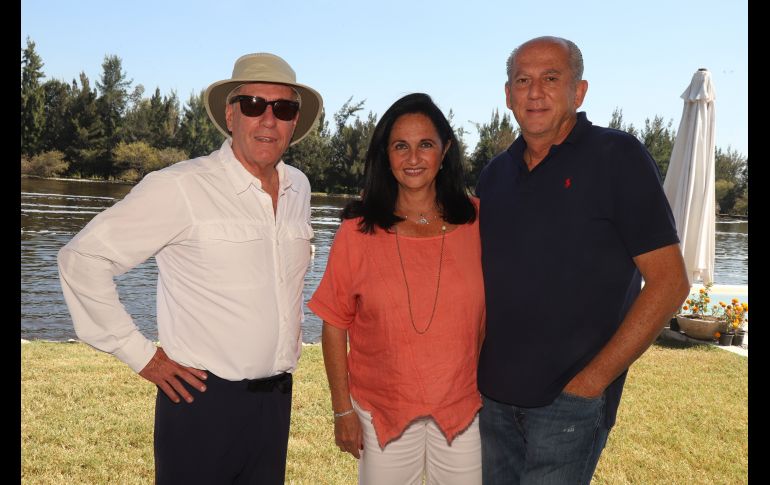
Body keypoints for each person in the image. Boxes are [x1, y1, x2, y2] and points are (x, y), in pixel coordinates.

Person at [57, 53, 323, 484]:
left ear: (295, 123)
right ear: (230, 114)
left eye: (284, 108)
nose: (269, 119)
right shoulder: (179, 187)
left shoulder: (299, 188)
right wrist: (141, 355)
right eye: (254, 104)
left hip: (275, 403)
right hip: (201, 402)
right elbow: (82, 259)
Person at [475, 36, 691, 485]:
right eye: (523, 80)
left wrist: (592, 382)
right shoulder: (495, 175)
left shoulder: (619, 157)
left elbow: (670, 283)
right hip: (491, 400)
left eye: (551, 78)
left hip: (569, 405)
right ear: (508, 95)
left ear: (579, 91)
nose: (535, 92)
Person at [308, 93, 485, 484]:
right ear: (385, 155)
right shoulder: (357, 231)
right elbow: (334, 323)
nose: (413, 158)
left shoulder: (478, 222)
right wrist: (342, 411)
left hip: (462, 409)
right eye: (400, 146)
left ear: (446, 150)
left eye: (426, 144)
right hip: (379, 412)